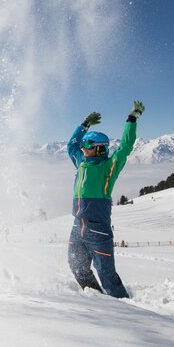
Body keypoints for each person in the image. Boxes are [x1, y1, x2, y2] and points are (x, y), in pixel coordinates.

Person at [67, 100, 145, 298]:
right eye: (84, 144)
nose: (83, 147)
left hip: (97, 231)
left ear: (100, 149)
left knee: (107, 275)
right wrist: (84, 125)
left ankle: (125, 310)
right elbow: (72, 145)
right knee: (77, 267)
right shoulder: (81, 162)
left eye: (88, 144)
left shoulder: (109, 168)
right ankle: (98, 301)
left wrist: (132, 118)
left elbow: (126, 147)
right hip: (78, 227)